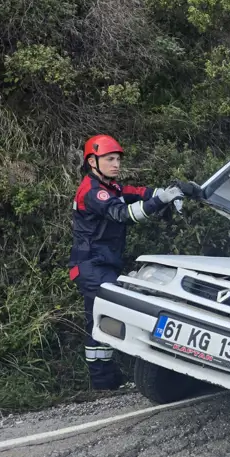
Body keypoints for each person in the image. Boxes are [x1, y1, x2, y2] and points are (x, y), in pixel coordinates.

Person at [69, 135, 184, 390]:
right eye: (110, 159)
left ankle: (107, 380)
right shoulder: (94, 192)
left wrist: (165, 193)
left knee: (103, 318)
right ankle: (104, 382)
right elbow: (123, 214)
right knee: (104, 319)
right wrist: (160, 201)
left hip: (101, 264)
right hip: (92, 266)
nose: (116, 164)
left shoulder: (112, 187)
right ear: (92, 161)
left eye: (118, 159)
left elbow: (137, 193)